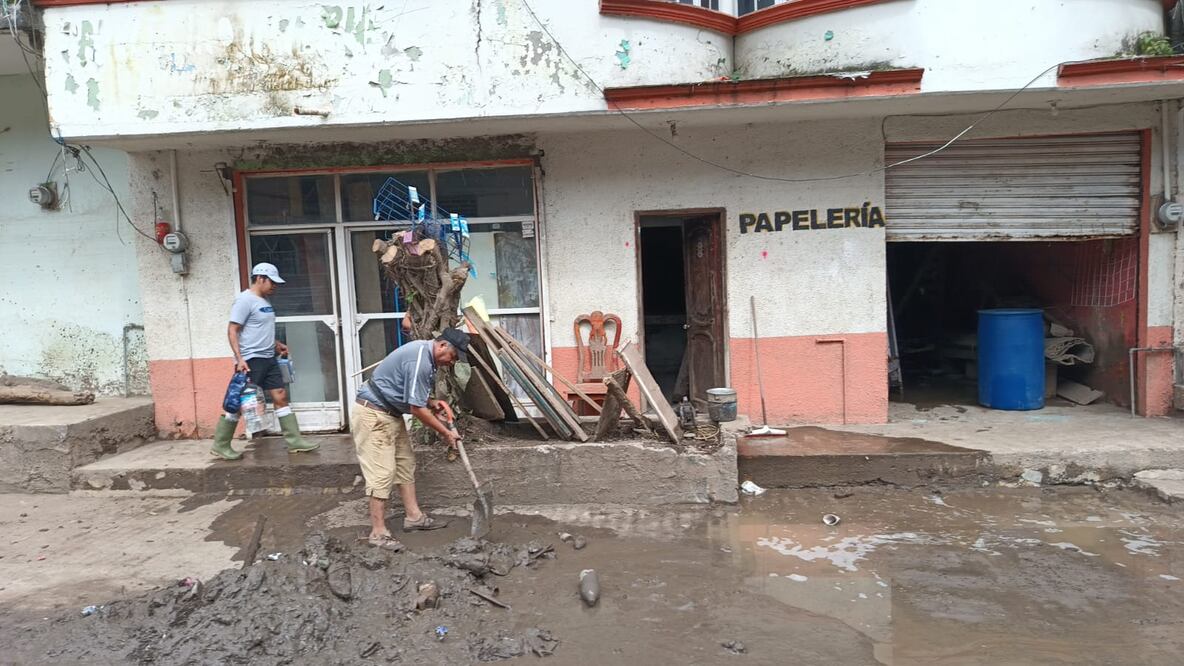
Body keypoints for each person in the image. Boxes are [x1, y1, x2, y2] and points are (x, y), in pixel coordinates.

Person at [352, 328, 471, 551]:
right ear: (442, 345)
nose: (452, 362)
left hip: (390, 414)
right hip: (374, 415)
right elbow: (416, 409)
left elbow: (414, 396)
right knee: (382, 472)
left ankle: (414, 517)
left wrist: (432, 403)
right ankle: (377, 533)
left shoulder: (424, 357)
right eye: (453, 356)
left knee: (405, 464)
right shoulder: (421, 359)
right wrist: (446, 432)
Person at [210, 263, 319, 460]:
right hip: (252, 360)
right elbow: (232, 330)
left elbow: (260, 329)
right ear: (260, 278)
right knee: (241, 401)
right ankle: (221, 444)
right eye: (272, 282)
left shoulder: (264, 301)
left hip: (269, 358)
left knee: (280, 395)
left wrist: (276, 344)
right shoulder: (245, 301)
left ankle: (295, 442)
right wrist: (239, 359)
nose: (275, 286)